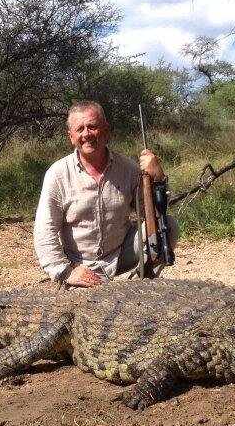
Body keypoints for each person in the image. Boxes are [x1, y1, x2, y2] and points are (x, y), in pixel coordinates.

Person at [34, 100, 179, 288]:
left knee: (168, 225)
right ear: (71, 137)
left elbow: (154, 215)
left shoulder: (129, 168)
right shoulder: (57, 173)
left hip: (119, 254)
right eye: (80, 129)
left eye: (92, 127)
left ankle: (139, 285)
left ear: (107, 130)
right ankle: (82, 280)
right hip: (78, 263)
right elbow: (44, 231)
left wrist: (158, 179)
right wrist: (66, 271)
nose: (86, 134)